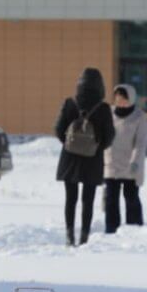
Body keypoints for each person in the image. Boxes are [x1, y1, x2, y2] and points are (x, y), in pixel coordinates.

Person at [53, 67, 113, 246]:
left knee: (70, 198)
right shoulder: (103, 108)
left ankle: (69, 236)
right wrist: (96, 147)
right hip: (92, 159)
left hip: (69, 158)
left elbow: (58, 129)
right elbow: (109, 135)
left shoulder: (70, 102)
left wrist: (69, 143)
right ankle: (84, 237)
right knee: (88, 199)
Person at [104, 83, 147, 234]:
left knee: (131, 197)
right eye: (117, 98)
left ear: (131, 98)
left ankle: (134, 227)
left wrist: (135, 162)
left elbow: (141, 142)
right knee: (111, 198)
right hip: (111, 163)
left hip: (131, 164)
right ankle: (111, 228)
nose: (120, 101)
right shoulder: (108, 114)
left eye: (124, 98)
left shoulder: (139, 116)